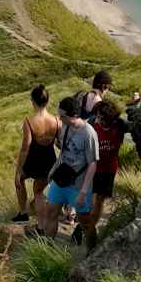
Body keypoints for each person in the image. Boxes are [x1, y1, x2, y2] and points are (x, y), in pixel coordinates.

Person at [39, 94, 100, 234]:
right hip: (61, 180)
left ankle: (93, 252)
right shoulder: (65, 127)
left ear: (73, 115)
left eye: (62, 116)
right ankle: (48, 249)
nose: (60, 119)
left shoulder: (89, 134)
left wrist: (83, 192)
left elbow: (92, 163)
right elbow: (64, 151)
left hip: (79, 185)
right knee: (51, 213)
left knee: (85, 221)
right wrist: (53, 169)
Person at [78, 96, 127, 248]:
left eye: (101, 117)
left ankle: (91, 226)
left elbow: (137, 129)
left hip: (109, 169)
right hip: (92, 168)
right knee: (88, 199)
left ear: (110, 118)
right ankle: (84, 226)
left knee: (99, 199)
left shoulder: (120, 125)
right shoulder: (92, 123)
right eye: (97, 115)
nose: (98, 119)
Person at [13, 84, 61, 223]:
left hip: (32, 159)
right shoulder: (57, 120)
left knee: (19, 180)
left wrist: (18, 169)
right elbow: (60, 143)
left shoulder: (29, 121)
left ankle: (23, 213)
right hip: (49, 160)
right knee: (38, 191)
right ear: (47, 101)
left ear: (32, 101)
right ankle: (39, 218)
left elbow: (25, 147)